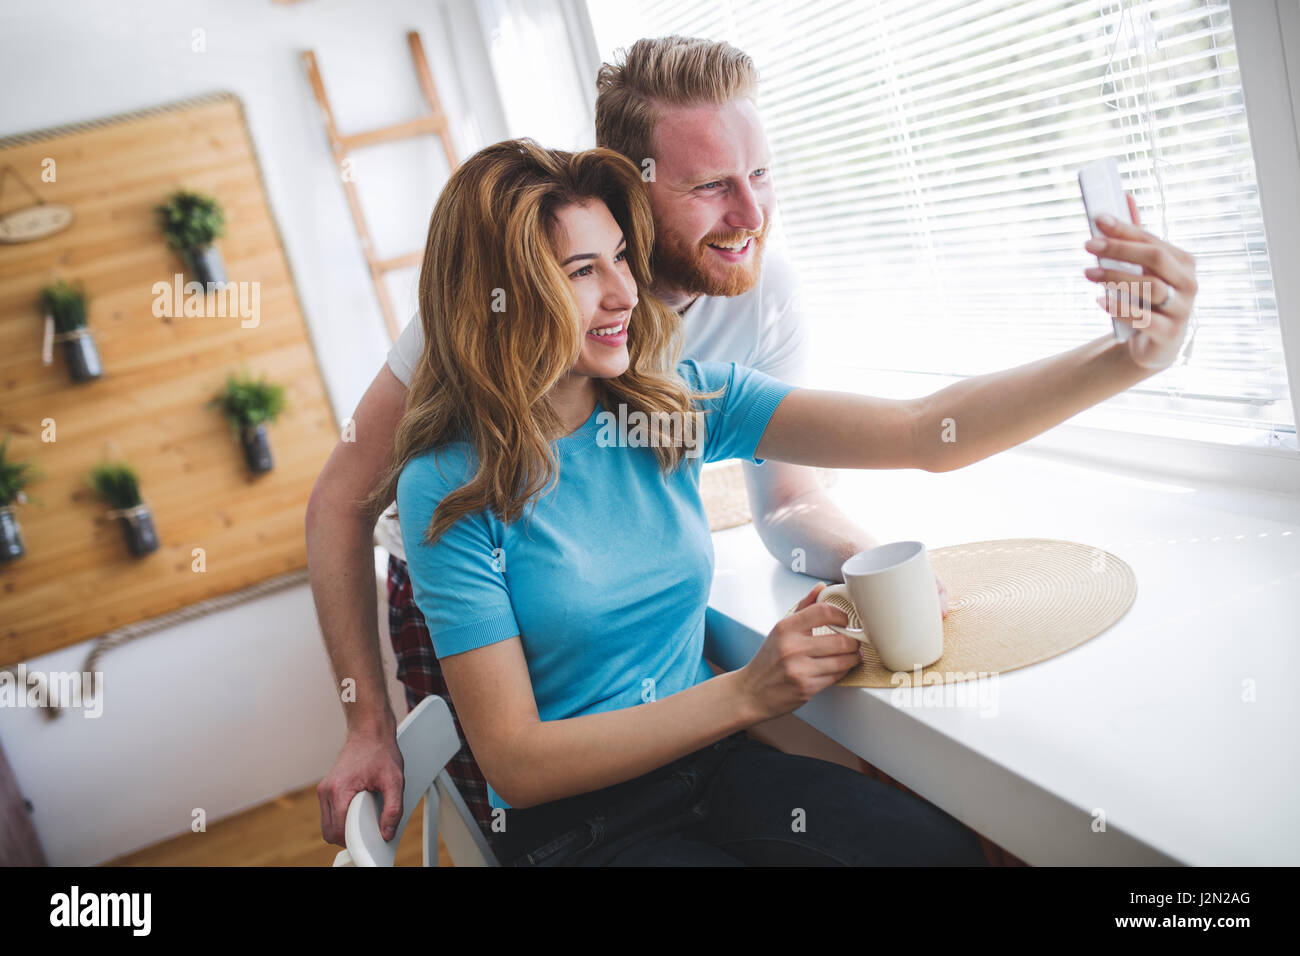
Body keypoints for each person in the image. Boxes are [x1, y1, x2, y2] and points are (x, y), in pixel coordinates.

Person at [366, 137, 1195, 866]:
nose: (623, 293)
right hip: (581, 829)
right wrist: (746, 692)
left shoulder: (674, 410)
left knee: (936, 852)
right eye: (583, 271)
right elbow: (517, 762)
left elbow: (920, 431)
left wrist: (1127, 360)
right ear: (498, 296)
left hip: (711, 767)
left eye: (621, 256)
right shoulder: (448, 482)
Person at [309, 36, 938, 846]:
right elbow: (340, 501)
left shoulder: (756, 294)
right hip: (472, 566)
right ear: (637, 182)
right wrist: (367, 724)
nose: (750, 215)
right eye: (711, 185)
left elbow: (793, 498)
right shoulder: (497, 301)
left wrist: (878, 574)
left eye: (760, 175)